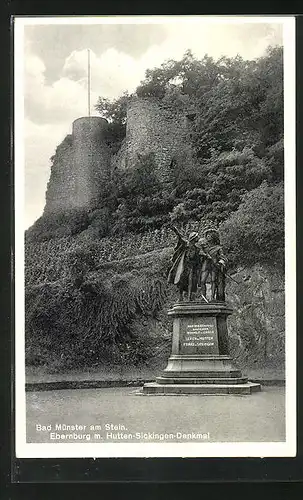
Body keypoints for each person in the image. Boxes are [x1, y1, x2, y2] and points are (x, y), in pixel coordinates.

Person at [167, 225, 201, 301]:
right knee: (181, 280)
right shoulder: (186, 244)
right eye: (197, 237)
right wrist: (175, 230)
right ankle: (180, 297)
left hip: (192, 267)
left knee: (191, 281)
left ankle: (189, 298)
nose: (198, 238)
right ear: (194, 238)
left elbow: (197, 259)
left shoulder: (197, 249)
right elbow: (180, 237)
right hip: (184, 265)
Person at [199, 228, 227, 302]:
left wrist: (221, 262)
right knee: (202, 281)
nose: (208, 237)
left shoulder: (218, 248)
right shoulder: (204, 247)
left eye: (210, 236)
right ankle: (203, 297)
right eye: (207, 235)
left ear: (213, 237)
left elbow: (223, 257)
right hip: (206, 265)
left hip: (214, 266)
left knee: (213, 281)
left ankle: (212, 297)